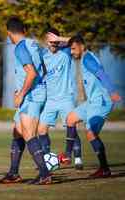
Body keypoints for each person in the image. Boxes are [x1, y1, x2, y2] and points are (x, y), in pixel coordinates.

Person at [50, 34, 121, 178]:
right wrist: (60, 39)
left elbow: (101, 74)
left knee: (91, 133)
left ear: (82, 46)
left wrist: (112, 91)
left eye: (74, 49)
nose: (71, 52)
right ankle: (68, 155)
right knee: (70, 119)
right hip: (91, 102)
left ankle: (104, 169)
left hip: (101, 101)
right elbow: (73, 40)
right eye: (71, 49)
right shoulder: (85, 55)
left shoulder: (88, 59)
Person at [1, 17, 51, 185]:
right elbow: (46, 64)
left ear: (9, 33)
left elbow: (31, 73)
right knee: (17, 131)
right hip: (37, 92)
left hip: (31, 95)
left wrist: (21, 93)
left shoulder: (20, 47)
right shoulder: (34, 44)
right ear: (24, 30)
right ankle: (13, 173)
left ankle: (45, 173)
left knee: (29, 134)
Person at [37, 28, 83, 170]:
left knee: (71, 128)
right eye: (51, 42)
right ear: (46, 41)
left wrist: (59, 38)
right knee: (41, 130)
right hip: (50, 100)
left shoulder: (65, 52)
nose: (54, 45)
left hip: (66, 98)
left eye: (55, 42)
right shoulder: (43, 54)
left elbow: (76, 40)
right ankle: (46, 158)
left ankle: (77, 158)